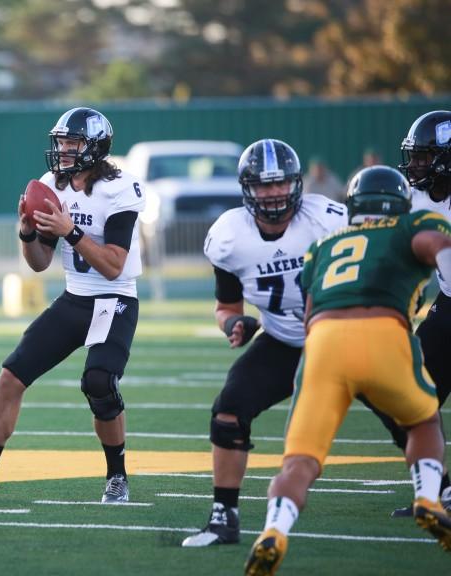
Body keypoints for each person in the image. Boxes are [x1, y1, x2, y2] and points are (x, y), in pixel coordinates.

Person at [183, 139, 408, 548]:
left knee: (406, 414)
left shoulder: (331, 220)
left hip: (346, 337)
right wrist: (234, 322)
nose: (272, 194)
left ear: (297, 184)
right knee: (228, 414)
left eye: (280, 184)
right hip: (285, 342)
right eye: (263, 186)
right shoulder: (229, 237)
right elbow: (225, 304)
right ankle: (224, 518)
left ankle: (439, 493)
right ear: (246, 189)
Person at [244, 166, 451, 575]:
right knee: (423, 421)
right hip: (381, 333)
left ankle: (274, 530)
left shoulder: (325, 244)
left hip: (322, 345)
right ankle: (428, 498)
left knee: (299, 462)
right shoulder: (414, 222)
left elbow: (308, 313)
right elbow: (433, 243)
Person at [0, 107, 145, 504]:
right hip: (74, 298)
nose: (64, 150)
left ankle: (116, 476)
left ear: (95, 147)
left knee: (99, 383)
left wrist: (71, 231)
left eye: (73, 142)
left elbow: (113, 265)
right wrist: (26, 231)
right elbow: (38, 263)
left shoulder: (120, 188)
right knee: (10, 377)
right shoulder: (53, 183)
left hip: (113, 298)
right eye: (62, 142)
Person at [391, 109, 451, 516]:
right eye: (413, 156)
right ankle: (435, 492)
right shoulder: (413, 199)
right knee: (410, 400)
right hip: (447, 305)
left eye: (424, 157)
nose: (414, 166)